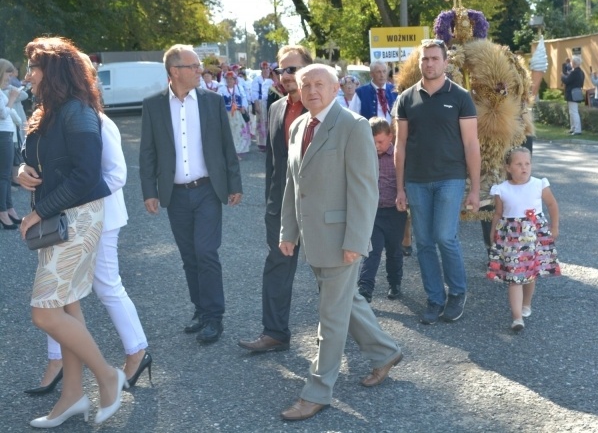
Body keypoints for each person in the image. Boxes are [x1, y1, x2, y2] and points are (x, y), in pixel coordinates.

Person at [21, 54, 151, 396]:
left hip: (99, 218)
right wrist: (20, 172)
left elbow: (114, 175)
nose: (29, 76)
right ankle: (58, 360)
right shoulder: (48, 115)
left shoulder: (95, 119)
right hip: (61, 218)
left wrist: (78, 201)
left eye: (35, 70)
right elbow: (34, 159)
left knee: (106, 285)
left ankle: (137, 351)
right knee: (60, 295)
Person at [278, 64, 402, 421]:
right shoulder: (300, 126)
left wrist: (357, 240)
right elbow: (292, 184)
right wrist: (289, 231)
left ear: (336, 88)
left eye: (319, 83)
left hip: (341, 239)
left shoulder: (353, 126)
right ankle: (385, 352)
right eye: (305, 84)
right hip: (312, 236)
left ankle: (317, 392)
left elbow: (365, 189)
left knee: (330, 317)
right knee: (346, 302)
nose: (311, 90)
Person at [139, 44, 243, 345]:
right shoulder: (154, 105)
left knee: (206, 252)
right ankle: (200, 310)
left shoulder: (212, 101)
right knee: (189, 256)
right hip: (175, 195)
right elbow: (147, 153)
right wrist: (150, 191)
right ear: (175, 71)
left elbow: (227, 146)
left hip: (208, 190)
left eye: (199, 66)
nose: (201, 71)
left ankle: (214, 316)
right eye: (194, 66)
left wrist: (234, 183)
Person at [394, 39, 480, 325]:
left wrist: (476, 189)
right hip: (416, 181)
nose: (429, 63)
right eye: (425, 59)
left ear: (445, 62)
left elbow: (471, 144)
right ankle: (434, 298)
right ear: (420, 63)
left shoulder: (460, 97)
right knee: (424, 243)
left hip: (449, 178)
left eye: (434, 58)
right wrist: (399, 188)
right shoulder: (407, 98)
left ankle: (457, 292)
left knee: (445, 236)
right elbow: (400, 145)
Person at [237, 45, 310, 354]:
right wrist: (271, 202)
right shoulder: (277, 107)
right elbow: (274, 162)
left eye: (293, 69)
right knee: (277, 266)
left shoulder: (324, 106)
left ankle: (365, 341)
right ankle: (275, 333)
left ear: (308, 69)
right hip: (282, 205)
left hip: (320, 207)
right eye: (282, 70)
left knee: (331, 276)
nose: (286, 76)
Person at [487, 147, 560, 331]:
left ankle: (526, 303)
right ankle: (517, 317)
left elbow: (552, 204)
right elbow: (498, 214)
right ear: (508, 167)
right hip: (511, 239)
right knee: (515, 276)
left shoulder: (539, 184)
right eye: (518, 164)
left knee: (529, 273)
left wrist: (554, 226)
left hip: (533, 237)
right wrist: (493, 233)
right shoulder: (501, 190)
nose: (524, 168)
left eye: (527, 163)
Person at [357, 117, 405, 303]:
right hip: (373, 213)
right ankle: (365, 288)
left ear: (390, 137)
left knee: (394, 250)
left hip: (394, 212)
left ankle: (395, 283)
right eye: (372, 141)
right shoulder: (364, 157)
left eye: (380, 141)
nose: (376, 146)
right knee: (372, 250)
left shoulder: (397, 157)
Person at [0, 60, 22, 229]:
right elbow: (2, 114)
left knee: (6, 176)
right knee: (3, 176)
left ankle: (9, 208)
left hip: (6, 135)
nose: (11, 76)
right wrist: (12, 99)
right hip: (2, 136)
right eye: (8, 73)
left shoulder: (2, 92)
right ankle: (3, 212)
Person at [220, 71, 251, 157]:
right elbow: (219, 101)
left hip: (238, 113)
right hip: (227, 113)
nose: (229, 81)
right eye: (227, 79)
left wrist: (244, 108)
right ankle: (231, 152)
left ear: (235, 80)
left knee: (239, 131)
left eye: (231, 79)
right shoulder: (222, 89)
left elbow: (244, 98)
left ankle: (239, 150)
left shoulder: (239, 88)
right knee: (230, 132)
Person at [250, 61, 274, 151]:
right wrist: (256, 105)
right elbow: (254, 92)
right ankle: (262, 143)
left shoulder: (272, 79)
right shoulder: (257, 80)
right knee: (261, 122)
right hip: (261, 102)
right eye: (263, 68)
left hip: (271, 102)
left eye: (267, 68)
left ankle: (270, 142)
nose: (265, 70)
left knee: (270, 122)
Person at [562, 55, 584, 135]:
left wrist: (563, 76)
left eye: (572, 62)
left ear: (574, 63)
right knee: (572, 112)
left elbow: (567, 80)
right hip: (577, 92)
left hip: (572, 93)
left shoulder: (574, 72)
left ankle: (577, 129)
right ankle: (573, 128)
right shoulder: (581, 72)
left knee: (574, 112)